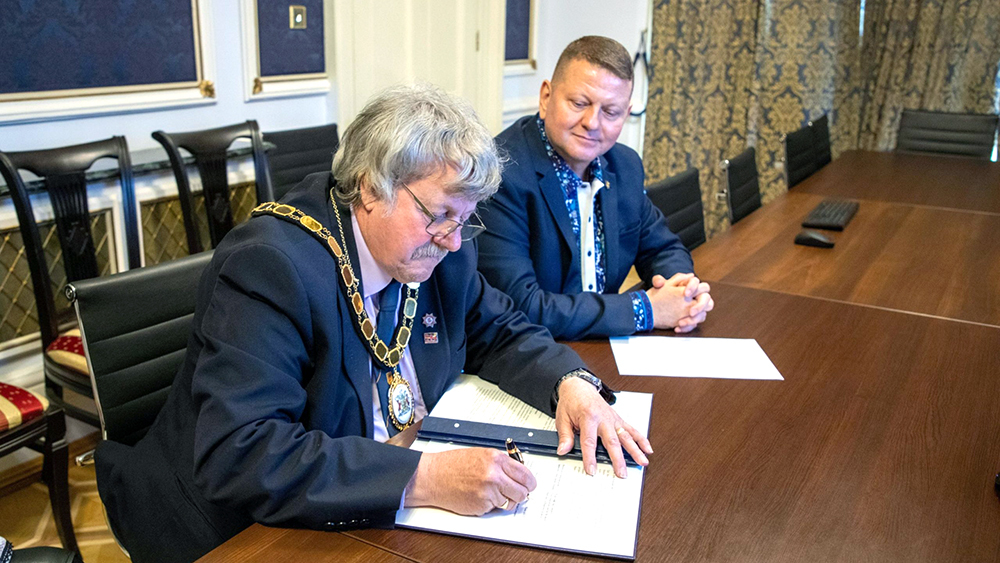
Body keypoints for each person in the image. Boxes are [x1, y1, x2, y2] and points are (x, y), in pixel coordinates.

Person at [94, 84, 652, 563]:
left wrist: (569, 383)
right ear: (368, 186)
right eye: (438, 216)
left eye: (465, 219)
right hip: (230, 527)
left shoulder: (442, 245)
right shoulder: (272, 265)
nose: (455, 240)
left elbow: (498, 327)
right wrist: (424, 477)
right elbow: (243, 452)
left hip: (369, 500)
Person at [478, 36, 714, 341]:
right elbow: (521, 306)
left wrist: (683, 291)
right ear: (546, 97)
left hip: (605, 346)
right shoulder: (501, 174)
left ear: (625, 115)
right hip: (530, 352)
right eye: (579, 103)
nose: (592, 122)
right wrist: (645, 310)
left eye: (610, 112)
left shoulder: (625, 166)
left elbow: (663, 248)